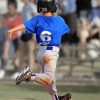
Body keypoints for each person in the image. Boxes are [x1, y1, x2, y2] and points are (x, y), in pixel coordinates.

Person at [7, 0, 71, 100]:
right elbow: (66, 31)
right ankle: (29, 75)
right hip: (51, 52)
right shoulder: (59, 20)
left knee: (51, 80)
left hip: (41, 52)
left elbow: (24, 25)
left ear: (40, 8)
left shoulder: (37, 19)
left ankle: (56, 98)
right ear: (53, 7)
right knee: (48, 78)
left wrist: (12, 30)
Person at [3, 0, 22, 79]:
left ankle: (17, 71)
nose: (10, 9)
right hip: (5, 40)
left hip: (16, 40)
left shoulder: (19, 18)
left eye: (12, 8)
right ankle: (3, 69)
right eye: (9, 8)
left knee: (17, 48)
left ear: (15, 8)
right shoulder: (3, 17)